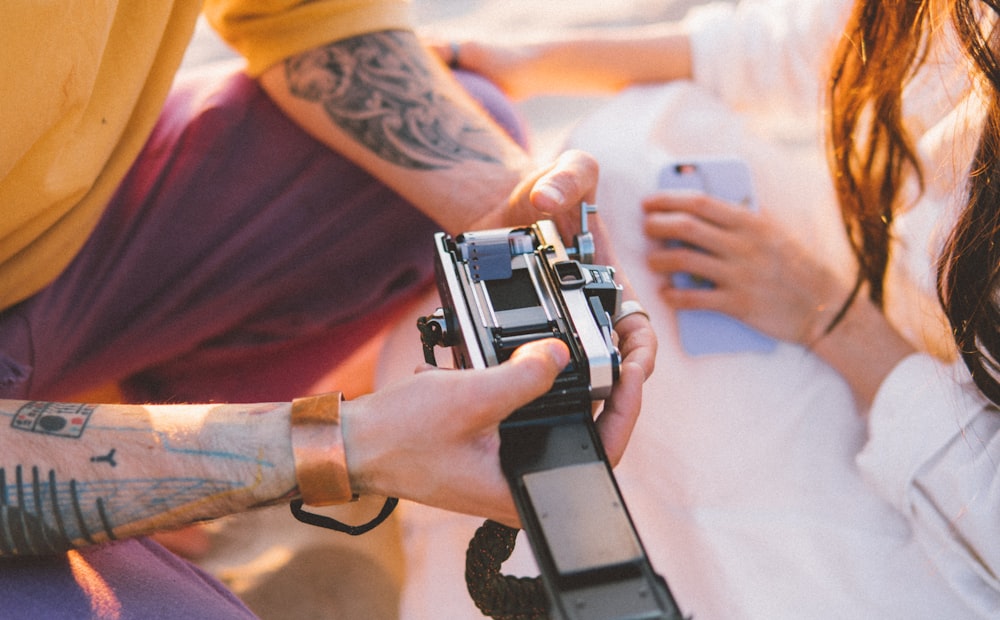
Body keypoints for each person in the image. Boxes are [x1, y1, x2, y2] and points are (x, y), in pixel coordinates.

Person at [0, 1, 657, 617]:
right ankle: (120, 468)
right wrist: (339, 446)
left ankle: (106, 425)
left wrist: (528, 217)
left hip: (32, 254)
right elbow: (341, 447)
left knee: (462, 131)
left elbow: (308, 15)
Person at [399, 0, 997, 617]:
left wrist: (826, 316)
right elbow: (819, 44)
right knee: (625, 163)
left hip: (945, 495)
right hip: (865, 290)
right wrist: (521, 60)